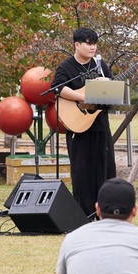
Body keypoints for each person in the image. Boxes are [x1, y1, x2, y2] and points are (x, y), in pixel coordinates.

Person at [53, 27, 117, 217]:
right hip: (78, 129)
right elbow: (57, 88)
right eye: (89, 43)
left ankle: (106, 213)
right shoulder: (67, 67)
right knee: (82, 173)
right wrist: (83, 97)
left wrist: (107, 86)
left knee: (106, 169)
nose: (93, 47)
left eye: (95, 44)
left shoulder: (100, 65)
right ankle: (84, 214)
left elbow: (111, 92)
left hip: (100, 126)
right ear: (77, 44)